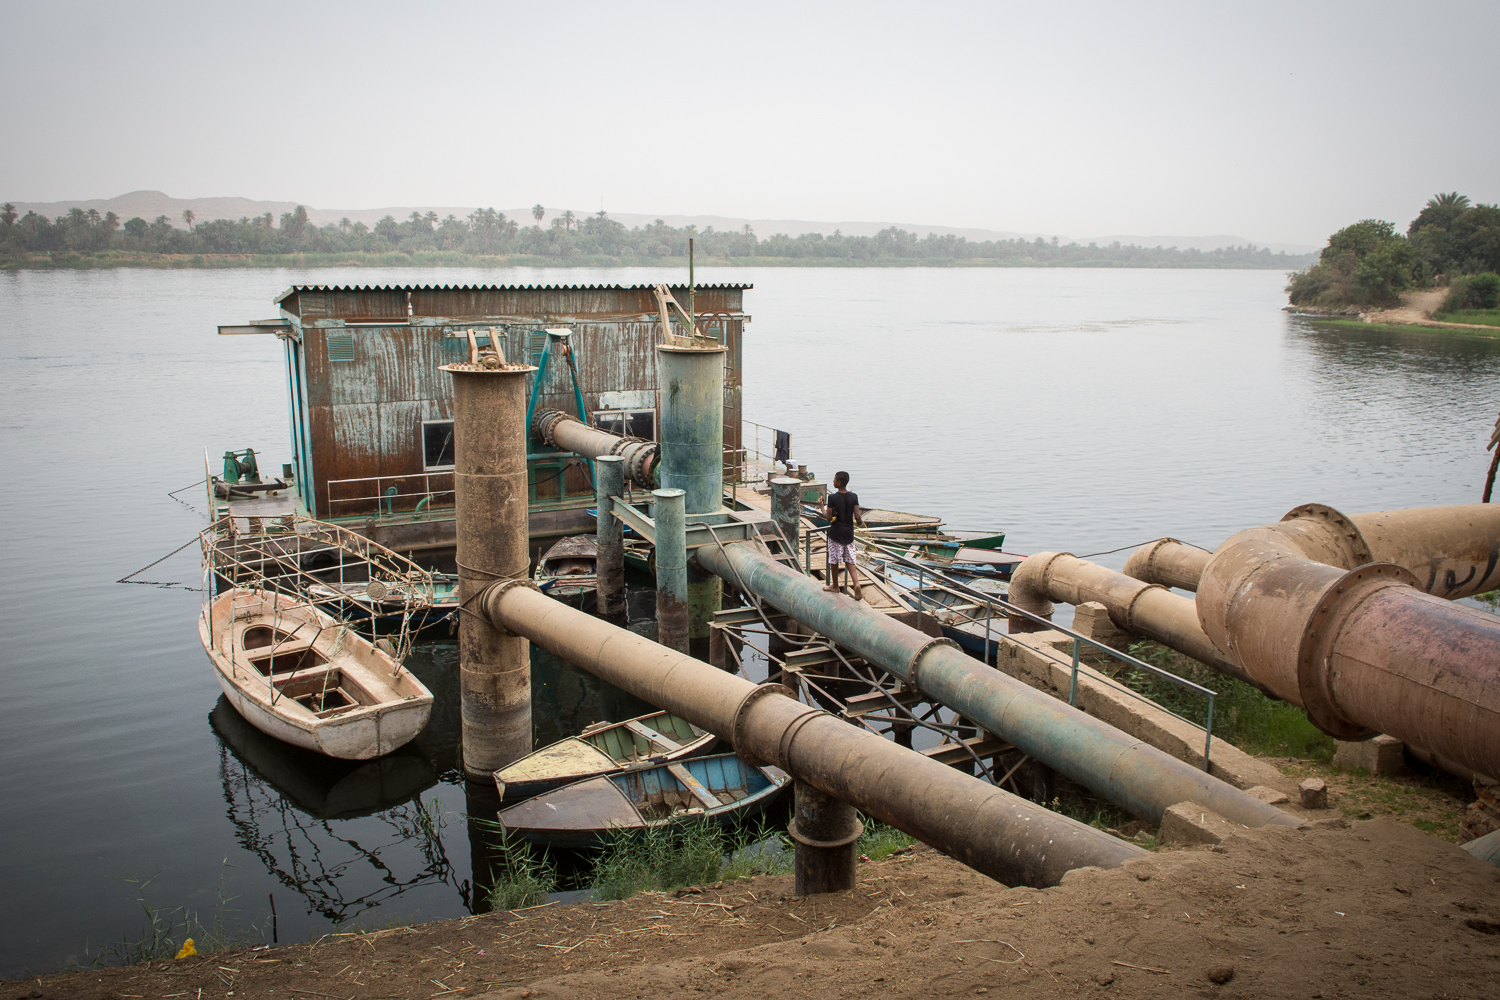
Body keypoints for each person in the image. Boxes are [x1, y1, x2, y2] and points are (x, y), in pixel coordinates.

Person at [822, 471, 864, 598]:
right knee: (850, 560)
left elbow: (829, 518)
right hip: (849, 534)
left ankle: (835, 586)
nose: (833, 482)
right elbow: (857, 517)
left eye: (834, 480)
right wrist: (860, 522)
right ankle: (856, 583)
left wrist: (821, 507)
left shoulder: (832, 498)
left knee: (834, 560)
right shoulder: (854, 496)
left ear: (839, 483)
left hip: (836, 534)